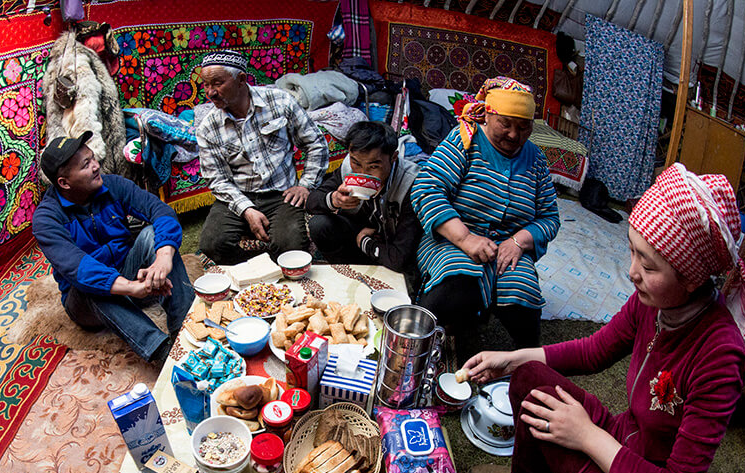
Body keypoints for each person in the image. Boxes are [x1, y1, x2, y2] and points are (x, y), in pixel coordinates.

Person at [459, 163, 745, 473]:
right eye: (632, 252)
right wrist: (511, 359)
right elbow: (595, 350)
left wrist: (586, 436)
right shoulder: (658, 301)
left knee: (549, 413)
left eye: (648, 266)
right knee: (529, 378)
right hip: (618, 438)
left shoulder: (719, 356)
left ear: (691, 278)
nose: (632, 272)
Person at [411, 77, 559, 352]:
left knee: (522, 296)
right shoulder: (465, 140)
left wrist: (518, 241)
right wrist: (466, 239)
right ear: (488, 114)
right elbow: (426, 188)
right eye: (506, 124)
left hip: (507, 246)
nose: (514, 135)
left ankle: (525, 362)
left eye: (523, 126)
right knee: (459, 283)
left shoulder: (536, 159)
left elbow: (549, 217)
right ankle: (430, 338)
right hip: (452, 238)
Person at [32, 131, 193, 362]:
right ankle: (162, 352)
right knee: (88, 284)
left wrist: (163, 257)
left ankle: (184, 328)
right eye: (86, 165)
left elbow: (160, 211)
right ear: (64, 183)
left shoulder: (113, 185)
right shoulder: (47, 219)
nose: (96, 166)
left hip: (128, 272)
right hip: (86, 303)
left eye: (93, 158)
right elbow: (80, 269)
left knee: (153, 235)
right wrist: (129, 288)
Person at [195, 50, 329, 265]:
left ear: (241, 80)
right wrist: (246, 209)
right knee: (212, 245)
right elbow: (217, 180)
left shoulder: (280, 102)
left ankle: (277, 263)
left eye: (217, 83)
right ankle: (261, 267)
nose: (210, 92)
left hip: (281, 193)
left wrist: (305, 185)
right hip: (238, 194)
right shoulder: (208, 127)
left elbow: (315, 143)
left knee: (290, 244)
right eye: (206, 85)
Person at [305, 121, 422, 277]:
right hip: (358, 237)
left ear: (393, 157)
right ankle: (347, 273)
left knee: (403, 266)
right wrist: (335, 200)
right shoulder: (348, 167)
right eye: (356, 163)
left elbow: (400, 256)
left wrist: (364, 241)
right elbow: (312, 201)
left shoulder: (411, 183)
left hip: (389, 246)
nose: (363, 173)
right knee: (319, 225)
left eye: (374, 166)